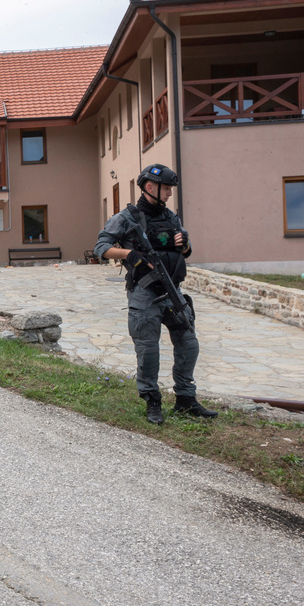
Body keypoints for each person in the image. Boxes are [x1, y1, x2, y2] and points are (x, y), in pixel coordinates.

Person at [94, 164, 217, 425]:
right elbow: (101, 248)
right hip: (145, 293)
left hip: (173, 290)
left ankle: (186, 399)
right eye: (167, 188)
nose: (170, 193)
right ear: (150, 187)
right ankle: (153, 401)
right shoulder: (126, 218)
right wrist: (129, 254)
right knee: (148, 351)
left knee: (189, 344)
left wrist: (185, 244)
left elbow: (185, 249)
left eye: (171, 188)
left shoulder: (171, 217)